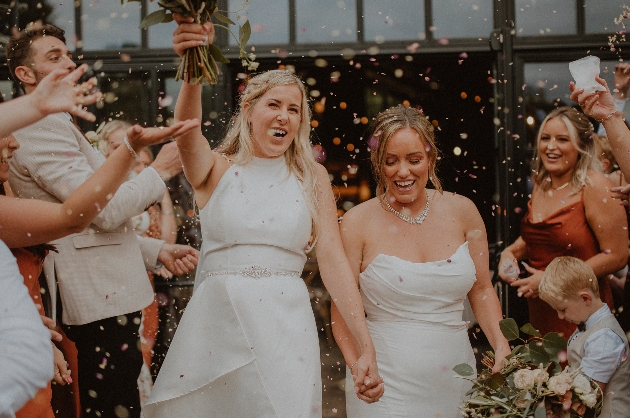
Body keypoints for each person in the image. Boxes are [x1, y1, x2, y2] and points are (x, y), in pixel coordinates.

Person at [142, 16, 383, 417]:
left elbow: (333, 260)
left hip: (285, 324)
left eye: (294, 109)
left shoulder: (313, 176)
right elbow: (186, 132)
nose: (284, 116)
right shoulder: (216, 168)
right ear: (249, 109)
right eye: (274, 105)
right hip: (216, 320)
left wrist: (364, 343)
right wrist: (193, 64)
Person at [6, 24, 200, 418]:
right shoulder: (38, 126)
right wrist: (158, 172)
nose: (69, 62)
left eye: (67, 54)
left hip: (107, 297)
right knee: (111, 408)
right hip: (95, 304)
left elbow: (88, 225)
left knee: (121, 401)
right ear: (25, 75)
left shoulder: (59, 122)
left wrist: (155, 249)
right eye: (53, 56)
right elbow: (100, 211)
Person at [329, 105, 510, 417]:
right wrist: (358, 363)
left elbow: (481, 289)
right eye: (391, 161)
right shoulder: (357, 222)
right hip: (383, 381)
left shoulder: (463, 211)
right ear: (377, 163)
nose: (403, 172)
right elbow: (341, 308)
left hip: (455, 374)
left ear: (431, 159)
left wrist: (502, 345)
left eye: (414, 160)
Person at [498, 106, 628, 339]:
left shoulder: (596, 186)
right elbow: (542, 237)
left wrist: (551, 280)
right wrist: (510, 252)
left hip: (582, 314)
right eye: (545, 138)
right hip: (542, 313)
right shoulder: (542, 184)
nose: (550, 146)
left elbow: (617, 255)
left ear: (580, 146)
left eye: (562, 139)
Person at [538, 256, 630, 417]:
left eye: (563, 309)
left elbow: (587, 397)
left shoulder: (604, 338)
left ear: (585, 298)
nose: (560, 316)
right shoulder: (591, 326)